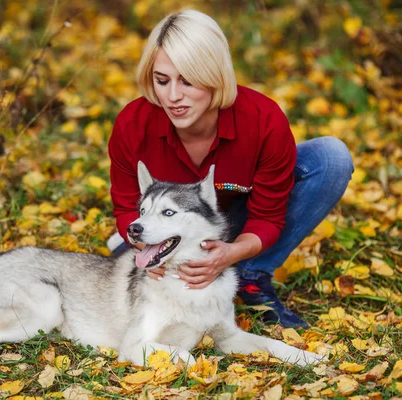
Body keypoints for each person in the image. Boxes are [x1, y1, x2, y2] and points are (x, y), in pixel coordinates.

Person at [107, 9, 354, 328]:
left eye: (188, 80)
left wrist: (232, 252)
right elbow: (127, 207)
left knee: (330, 157)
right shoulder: (132, 124)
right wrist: (148, 249)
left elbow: (268, 216)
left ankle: (252, 275)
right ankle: (137, 256)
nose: (173, 97)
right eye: (162, 80)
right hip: (168, 230)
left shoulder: (263, 121)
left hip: (235, 219)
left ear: (215, 75)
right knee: (149, 236)